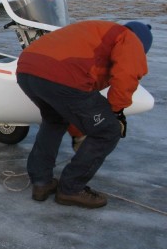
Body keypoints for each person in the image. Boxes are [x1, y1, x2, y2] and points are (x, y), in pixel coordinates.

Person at [17, 20, 152, 209]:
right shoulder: (130, 37)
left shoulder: (98, 34)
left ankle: (41, 182)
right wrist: (116, 112)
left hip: (27, 69)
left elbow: (74, 104)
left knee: (55, 120)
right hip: (60, 76)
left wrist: (79, 130)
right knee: (108, 131)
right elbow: (127, 75)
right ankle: (71, 189)